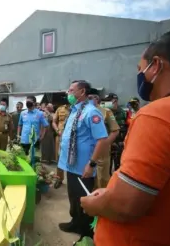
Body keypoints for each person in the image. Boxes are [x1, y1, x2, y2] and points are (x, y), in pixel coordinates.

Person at [81, 29, 170, 246]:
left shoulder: (160, 115)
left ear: (156, 65)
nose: (139, 76)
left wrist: (95, 205)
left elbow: (125, 205)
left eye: (141, 69)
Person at [57, 80, 108, 243]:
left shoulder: (91, 112)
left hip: (83, 166)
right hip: (70, 164)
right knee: (73, 196)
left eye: (71, 90)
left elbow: (102, 139)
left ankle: (86, 232)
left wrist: (91, 164)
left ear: (82, 92)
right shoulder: (74, 111)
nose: (68, 93)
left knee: (84, 199)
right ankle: (75, 223)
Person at [88, 89, 119, 188]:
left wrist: (106, 144)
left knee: (102, 176)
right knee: (88, 175)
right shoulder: (83, 111)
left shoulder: (106, 112)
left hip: (102, 149)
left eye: (89, 98)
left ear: (96, 99)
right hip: (87, 148)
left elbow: (115, 130)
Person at [52, 94, 70, 188]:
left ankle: (73, 180)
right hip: (60, 136)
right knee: (59, 158)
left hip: (72, 138)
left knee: (72, 157)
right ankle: (59, 178)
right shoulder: (60, 109)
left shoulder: (78, 109)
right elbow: (54, 121)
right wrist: (57, 130)